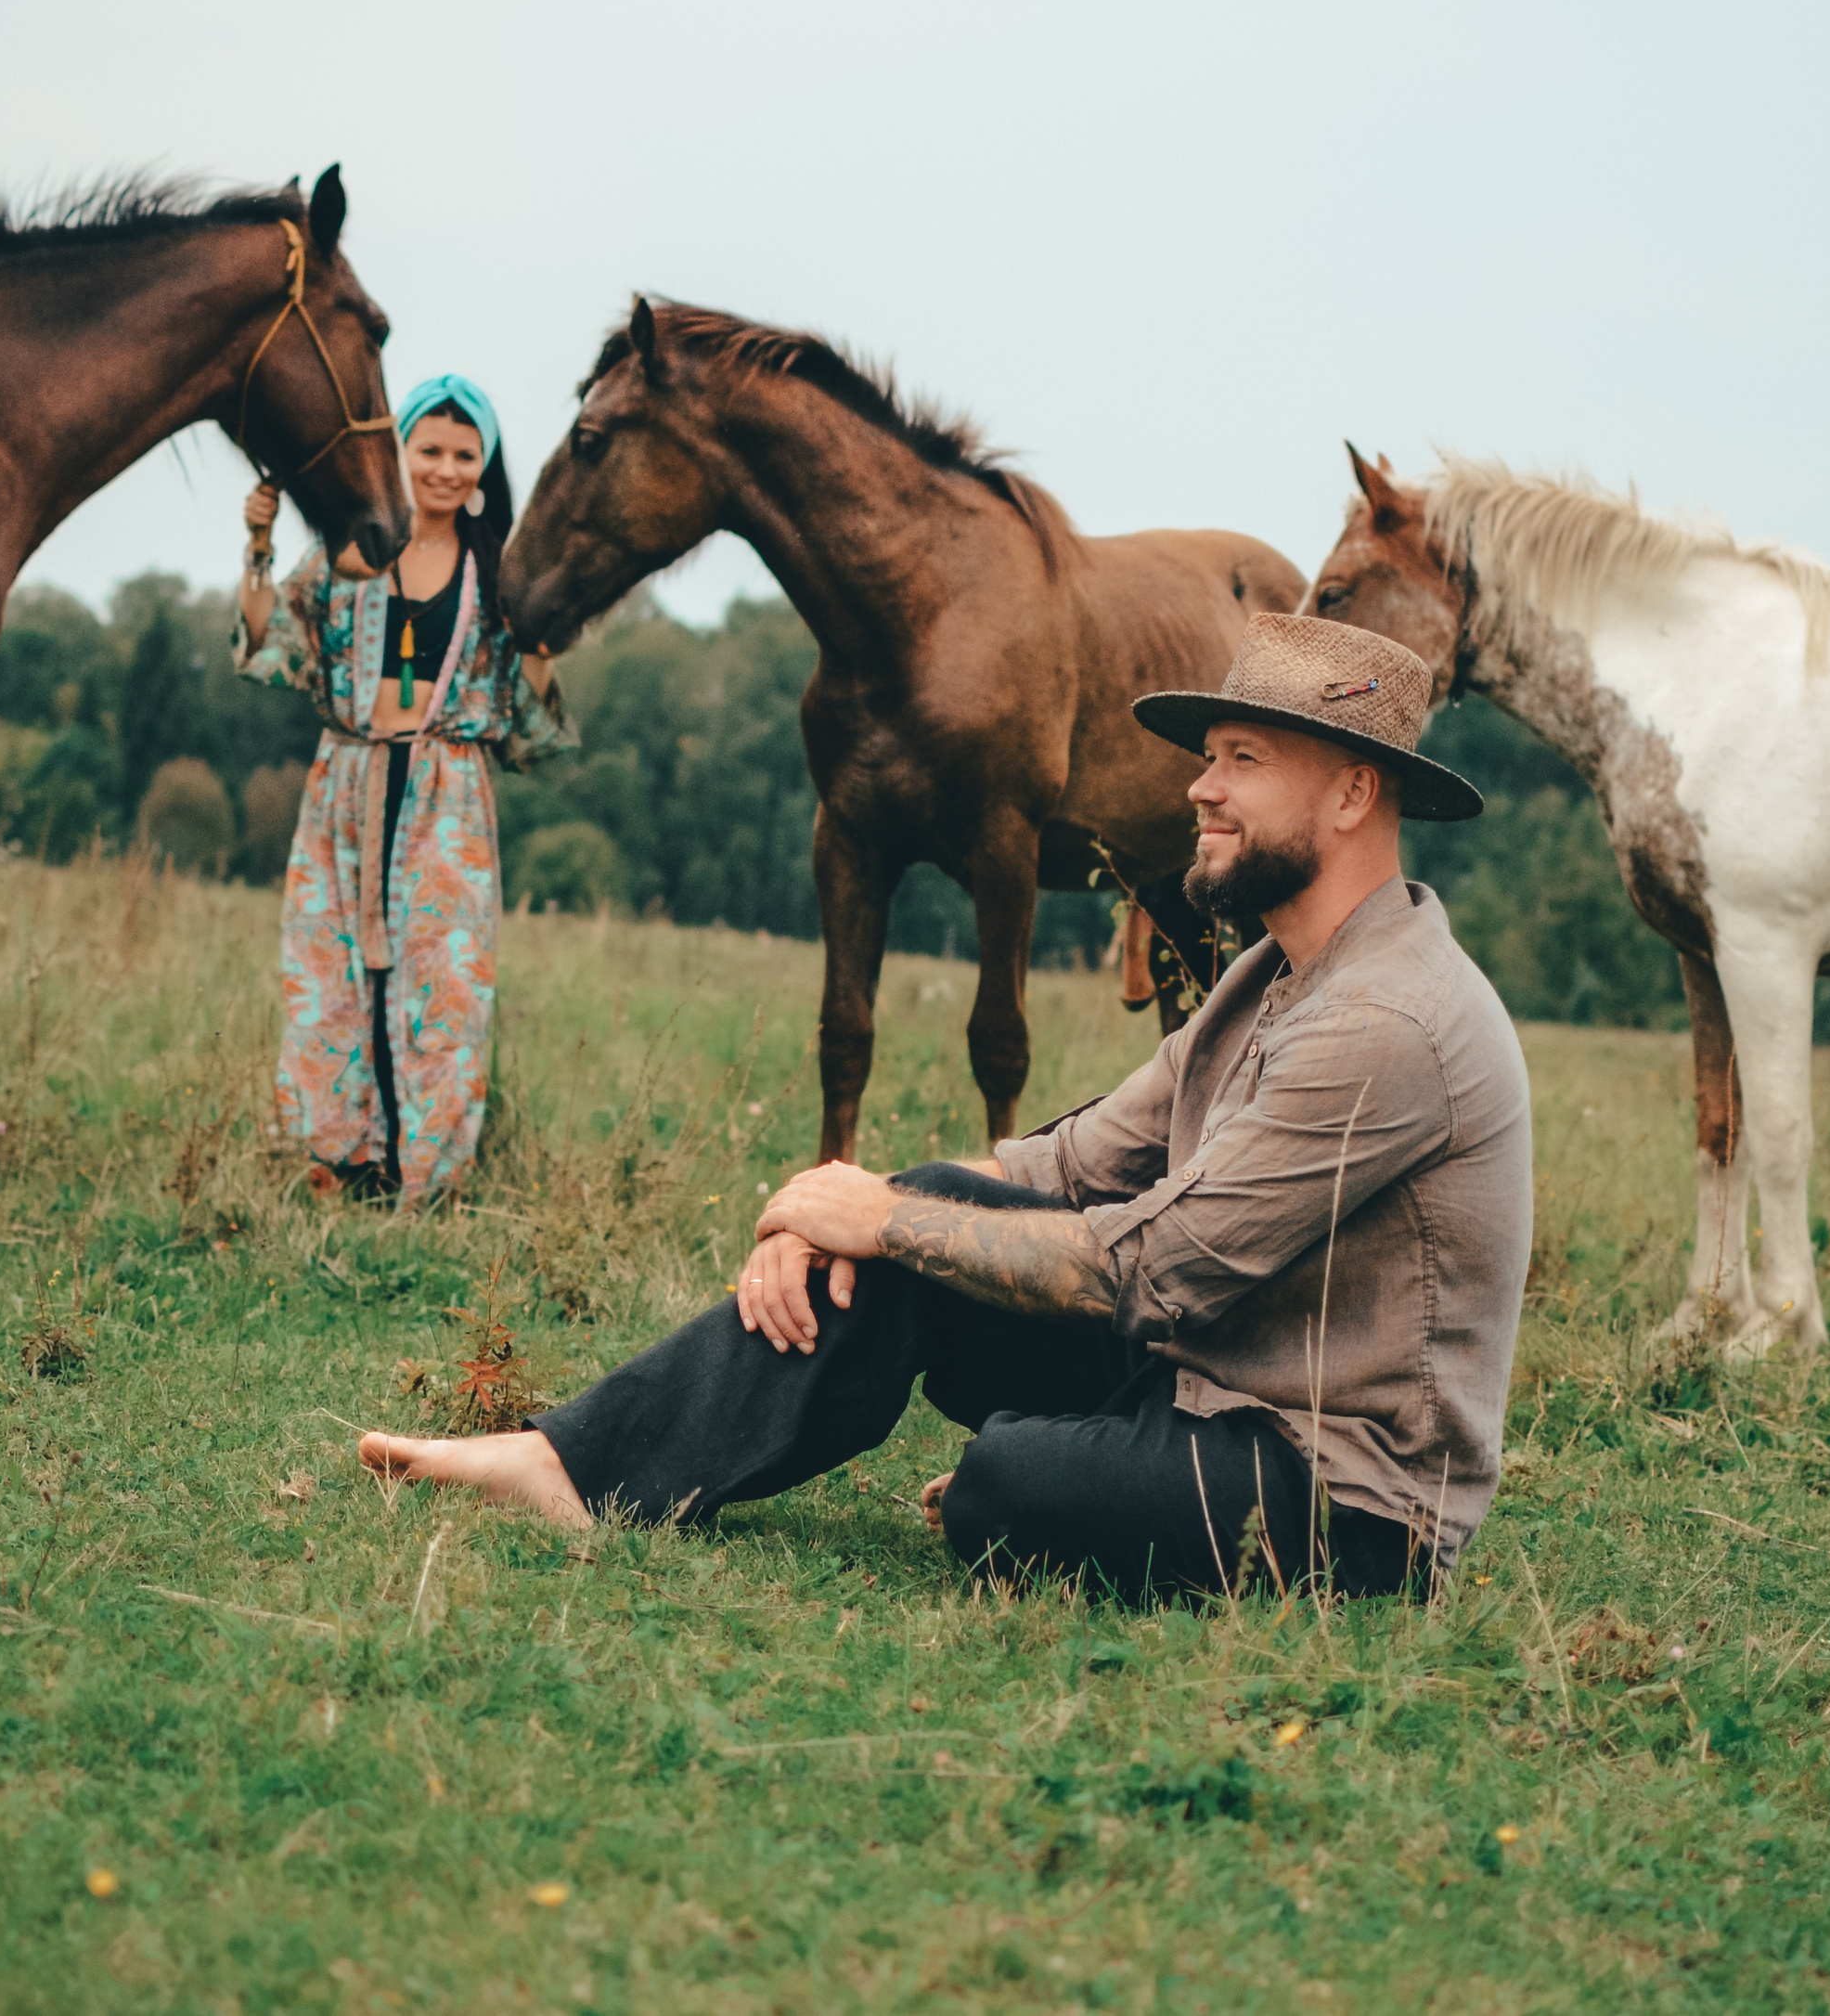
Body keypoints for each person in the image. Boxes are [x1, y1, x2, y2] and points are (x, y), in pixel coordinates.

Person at [361, 615, 1533, 1599]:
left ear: (1350, 795)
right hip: (1202, 1380)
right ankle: (573, 1463)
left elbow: (1154, 1271)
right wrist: (854, 1211)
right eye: (1208, 755)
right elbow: (1072, 1161)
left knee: (1004, 1487)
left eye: (1239, 758)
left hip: (1343, 1491)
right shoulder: (1270, 974)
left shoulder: (1391, 1020)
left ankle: (1058, 1472)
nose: (1198, 787)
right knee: (917, 1221)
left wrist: (886, 1221)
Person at [235, 374, 573, 1206]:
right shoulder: (348, 557)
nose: (447, 469)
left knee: (441, 982)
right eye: (431, 450)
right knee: (331, 971)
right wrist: (259, 546)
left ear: (485, 468)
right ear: (400, 452)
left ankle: (426, 1177)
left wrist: (540, 637)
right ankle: (336, 1163)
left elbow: (530, 724)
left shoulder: (497, 573)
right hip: (346, 782)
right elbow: (272, 642)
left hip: (445, 795)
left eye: (466, 455)